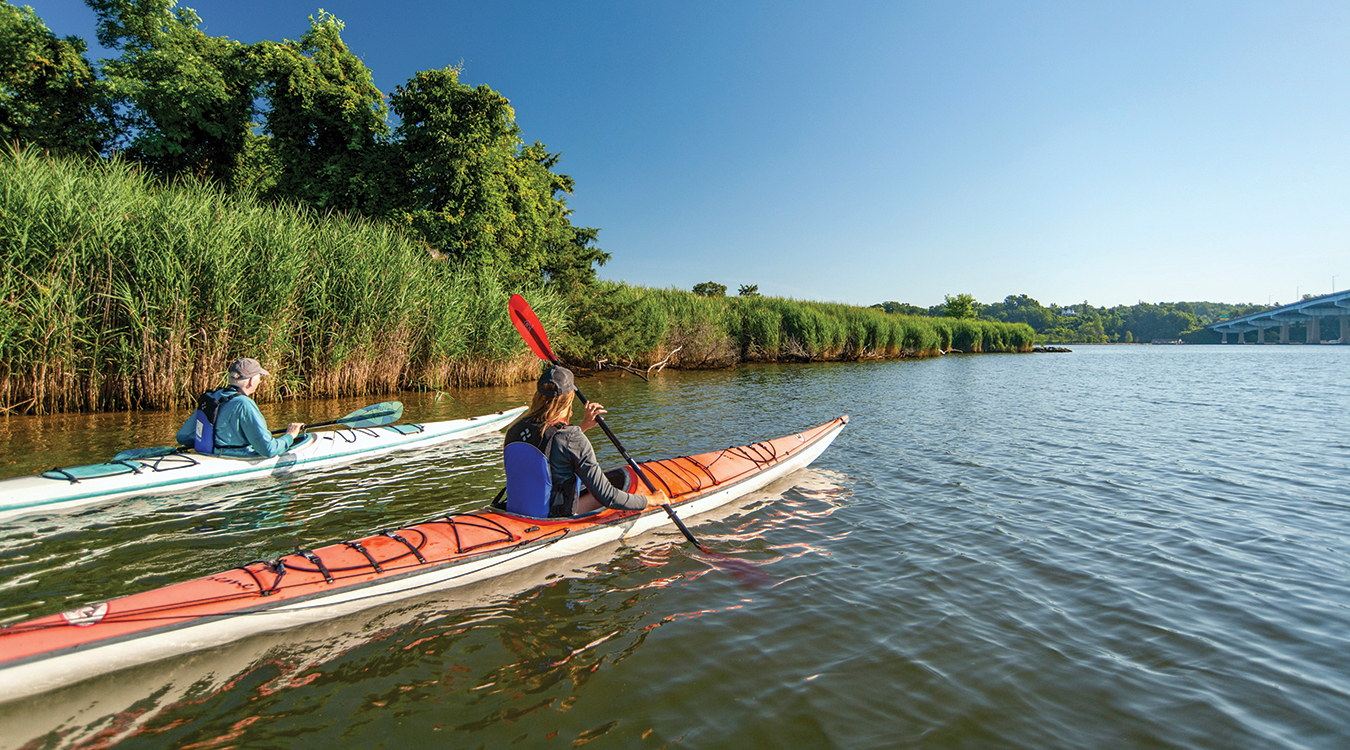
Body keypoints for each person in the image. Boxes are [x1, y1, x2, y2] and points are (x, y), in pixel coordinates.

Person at [501, 366, 668, 518]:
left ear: (538, 395)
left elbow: (548, 445)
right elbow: (608, 496)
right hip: (551, 520)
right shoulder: (572, 438)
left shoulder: (515, 429)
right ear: (570, 398)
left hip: (516, 514)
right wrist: (650, 500)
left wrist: (582, 427)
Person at [175, 358, 304, 458]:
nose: (259, 381)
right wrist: (289, 436)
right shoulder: (244, 404)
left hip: (209, 454)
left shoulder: (213, 397)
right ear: (251, 381)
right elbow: (268, 450)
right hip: (232, 458)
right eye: (259, 377)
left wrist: (211, 440)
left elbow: (183, 436)